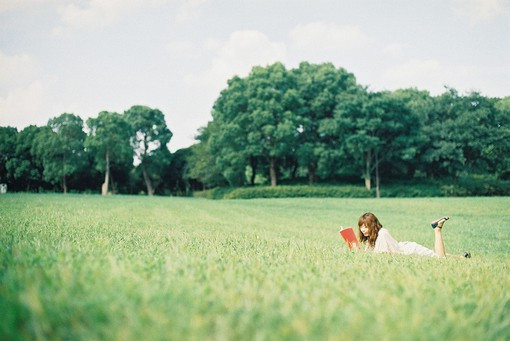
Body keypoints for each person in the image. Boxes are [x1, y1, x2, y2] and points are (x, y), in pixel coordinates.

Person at [358, 212, 470, 258]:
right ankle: (462, 258)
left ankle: (437, 229)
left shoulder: (382, 233)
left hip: (411, 251)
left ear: (373, 225)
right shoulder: (370, 238)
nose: (362, 229)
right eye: (361, 226)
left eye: (366, 226)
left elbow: (381, 256)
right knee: (434, 254)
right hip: (406, 248)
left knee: (439, 258)